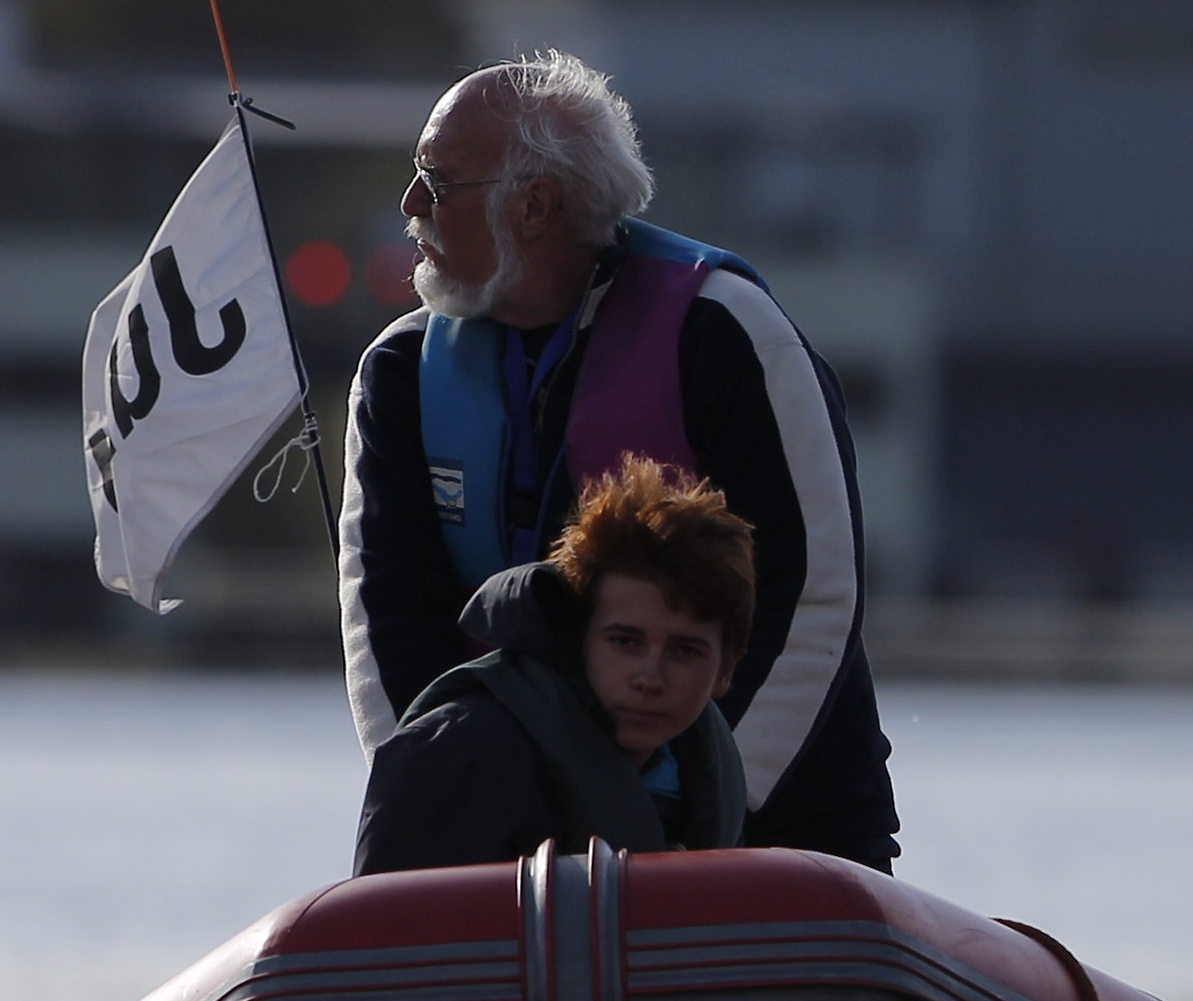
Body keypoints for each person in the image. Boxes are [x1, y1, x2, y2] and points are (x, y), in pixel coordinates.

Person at [340, 49, 898, 868]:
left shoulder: (727, 333)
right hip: (505, 831)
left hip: (776, 828)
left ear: (533, 204)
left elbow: (813, 590)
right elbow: (385, 615)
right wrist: (434, 789)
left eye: (436, 179)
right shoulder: (398, 373)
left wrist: (711, 804)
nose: (410, 205)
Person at [356, 458, 753, 872]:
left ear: (726, 668)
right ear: (578, 639)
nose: (649, 677)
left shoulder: (709, 775)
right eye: (625, 642)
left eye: (684, 651)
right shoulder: (453, 757)